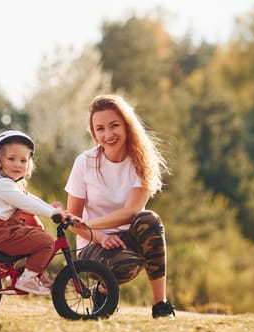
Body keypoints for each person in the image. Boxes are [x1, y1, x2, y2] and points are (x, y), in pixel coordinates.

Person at [65, 94, 175, 318]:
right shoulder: (84, 163)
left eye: (114, 125)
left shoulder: (142, 161)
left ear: (127, 125)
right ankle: (103, 292)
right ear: (93, 133)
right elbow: (72, 221)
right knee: (126, 265)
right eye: (100, 129)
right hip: (92, 243)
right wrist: (98, 235)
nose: (108, 135)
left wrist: (88, 222)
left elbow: (131, 212)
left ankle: (161, 305)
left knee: (149, 219)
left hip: (128, 238)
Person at [0, 130, 68, 296]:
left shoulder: (11, 184)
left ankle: (30, 274)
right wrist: (52, 213)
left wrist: (53, 210)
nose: (18, 165)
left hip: (6, 232)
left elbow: (30, 198)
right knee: (46, 242)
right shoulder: (2, 185)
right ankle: (27, 279)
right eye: (11, 159)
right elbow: (26, 203)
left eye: (23, 160)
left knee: (37, 235)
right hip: (3, 235)